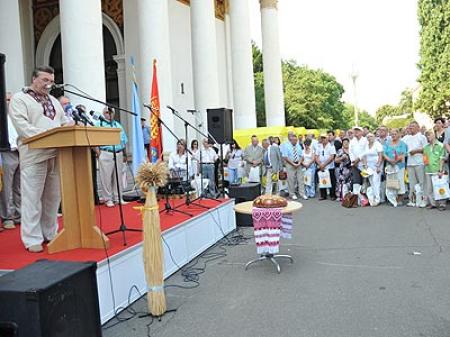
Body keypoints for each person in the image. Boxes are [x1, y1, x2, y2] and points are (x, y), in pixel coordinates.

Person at [8, 66, 69, 252]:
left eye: (51, 81)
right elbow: (23, 127)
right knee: (32, 199)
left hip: (56, 154)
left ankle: (50, 233)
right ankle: (32, 238)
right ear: (33, 78)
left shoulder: (53, 100)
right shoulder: (20, 99)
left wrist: (70, 125)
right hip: (34, 154)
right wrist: (50, 135)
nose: (48, 84)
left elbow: (63, 120)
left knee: (52, 198)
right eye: (44, 80)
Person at [96, 107, 128, 208]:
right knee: (106, 177)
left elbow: (124, 140)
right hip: (106, 152)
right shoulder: (99, 124)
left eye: (111, 112)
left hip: (118, 152)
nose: (108, 114)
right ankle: (108, 199)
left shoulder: (117, 125)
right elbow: (93, 140)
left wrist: (125, 153)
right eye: (106, 112)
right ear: (103, 113)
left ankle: (118, 198)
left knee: (118, 177)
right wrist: (98, 152)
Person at [0, 92, 21, 229]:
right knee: (6, 188)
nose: (9, 102)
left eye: (11, 100)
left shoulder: (16, 116)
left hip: (21, 152)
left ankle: (19, 215)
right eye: (7, 100)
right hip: (7, 153)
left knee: (19, 187)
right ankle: (7, 217)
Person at [402, 121, 427, 207]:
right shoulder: (406, 138)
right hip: (410, 163)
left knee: (422, 182)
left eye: (413, 126)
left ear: (418, 127)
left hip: (420, 163)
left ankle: (424, 200)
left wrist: (416, 151)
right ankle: (412, 200)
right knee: (411, 183)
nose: (411, 128)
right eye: (410, 126)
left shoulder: (422, 137)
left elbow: (426, 149)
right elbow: (401, 146)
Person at [383, 128, 408, 207]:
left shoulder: (402, 144)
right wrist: (390, 160)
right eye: (392, 134)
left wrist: (395, 161)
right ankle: (392, 198)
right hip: (390, 165)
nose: (393, 135)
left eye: (395, 134)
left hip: (399, 165)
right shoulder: (387, 143)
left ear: (398, 135)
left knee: (400, 181)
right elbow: (383, 153)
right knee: (391, 182)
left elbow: (403, 154)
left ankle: (400, 198)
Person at [423, 130, 446, 211]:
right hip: (428, 170)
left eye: (429, 135)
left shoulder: (440, 145)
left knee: (440, 187)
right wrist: (425, 163)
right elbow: (425, 158)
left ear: (434, 135)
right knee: (429, 188)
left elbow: (442, 159)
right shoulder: (426, 147)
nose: (427, 137)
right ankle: (433, 204)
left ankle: (442, 204)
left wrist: (440, 170)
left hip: (437, 170)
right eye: (426, 136)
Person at [281, 132, 306, 200]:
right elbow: (285, 157)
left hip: (298, 164)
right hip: (290, 164)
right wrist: (293, 164)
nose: (295, 141)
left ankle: (302, 193)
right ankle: (292, 194)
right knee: (291, 180)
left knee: (300, 179)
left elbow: (301, 156)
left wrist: (299, 163)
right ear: (291, 140)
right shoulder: (286, 146)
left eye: (296, 140)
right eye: (294, 140)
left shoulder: (298, 146)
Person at [362, 133, 383, 205]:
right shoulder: (366, 145)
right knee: (371, 182)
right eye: (368, 137)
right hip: (369, 166)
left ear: (374, 137)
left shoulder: (378, 144)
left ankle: (377, 199)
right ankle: (373, 198)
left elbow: (380, 156)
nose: (369, 138)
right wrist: (365, 165)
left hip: (377, 165)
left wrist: (378, 166)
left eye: (371, 136)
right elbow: (364, 156)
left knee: (376, 182)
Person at [316, 133, 337, 200]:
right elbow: (316, 156)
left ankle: (332, 195)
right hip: (321, 166)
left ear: (327, 138)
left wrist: (324, 164)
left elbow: (332, 157)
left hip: (329, 166)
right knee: (322, 180)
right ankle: (323, 195)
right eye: (322, 138)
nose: (323, 139)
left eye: (324, 138)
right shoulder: (319, 146)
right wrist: (320, 164)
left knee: (331, 181)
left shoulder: (331, 146)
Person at [349, 126, 368, 193]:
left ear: (361, 132)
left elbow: (366, 151)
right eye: (355, 130)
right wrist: (353, 161)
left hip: (363, 164)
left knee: (364, 180)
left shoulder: (365, 140)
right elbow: (350, 152)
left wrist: (358, 159)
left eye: (358, 130)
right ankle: (356, 197)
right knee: (356, 181)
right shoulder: (352, 141)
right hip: (354, 164)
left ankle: (364, 198)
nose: (356, 131)